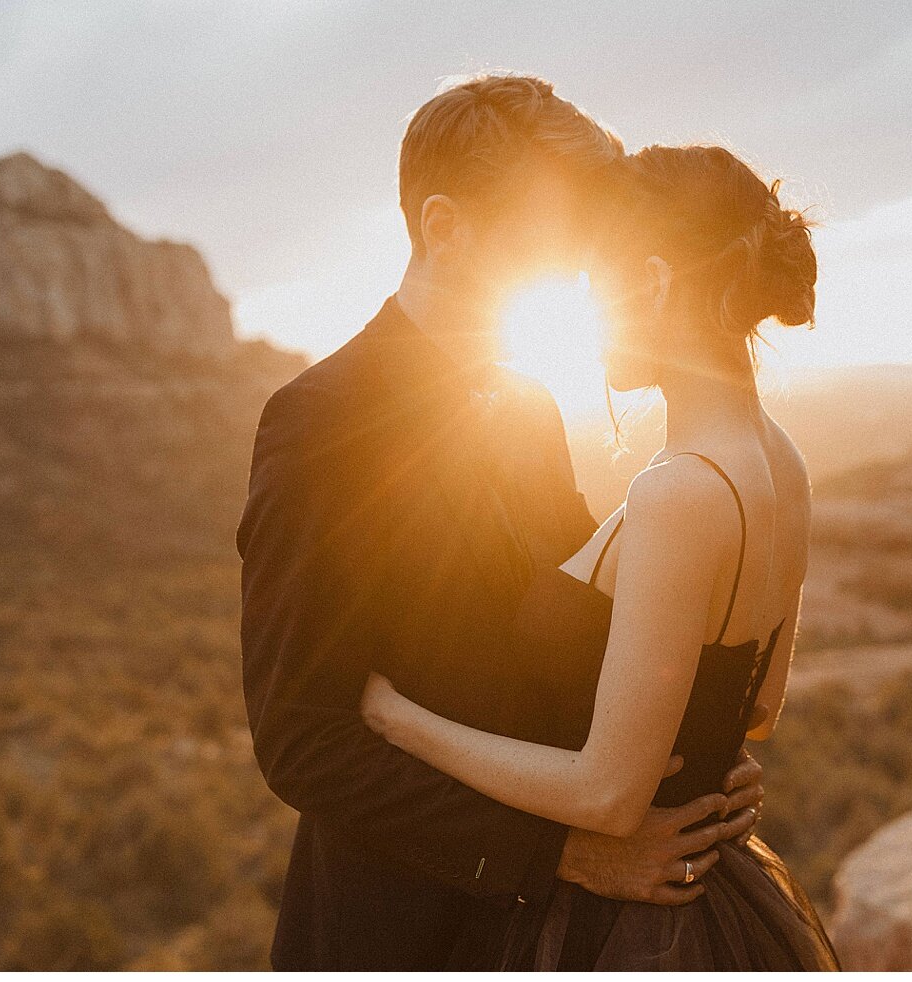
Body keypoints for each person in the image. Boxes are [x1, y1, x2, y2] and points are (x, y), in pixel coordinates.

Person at [236, 77, 768, 970]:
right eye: (549, 242)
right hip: (400, 929)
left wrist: (694, 742)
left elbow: (578, 627)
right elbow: (303, 738)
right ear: (445, 228)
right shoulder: (317, 421)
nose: (577, 273)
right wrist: (559, 854)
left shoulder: (527, 405)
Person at [360, 143, 840, 968]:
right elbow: (755, 704)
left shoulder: (678, 492)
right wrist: (714, 764)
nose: (588, 321)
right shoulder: (784, 462)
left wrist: (396, 720)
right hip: (713, 895)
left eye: (595, 289)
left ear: (652, 283)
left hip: (628, 925)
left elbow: (608, 796)